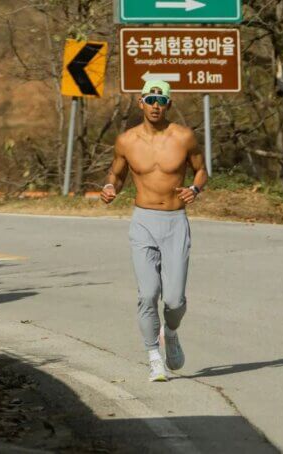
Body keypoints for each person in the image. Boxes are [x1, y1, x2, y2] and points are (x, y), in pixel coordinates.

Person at [101, 80, 208, 382]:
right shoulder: (127, 141)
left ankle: (170, 332)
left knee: (174, 301)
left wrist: (194, 189)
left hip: (175, 222)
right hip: (143, 221)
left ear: (169, 104)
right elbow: (116, 173)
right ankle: (153, 357)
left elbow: (201, 170)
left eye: (161, 101)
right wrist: (110, 187)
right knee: (148, 294)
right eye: (150, 100)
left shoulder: (183, 137)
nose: (155, 106)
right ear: (141, 103)